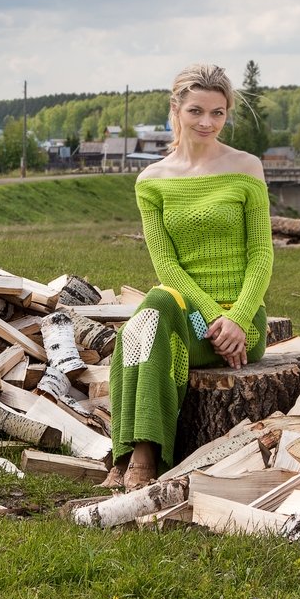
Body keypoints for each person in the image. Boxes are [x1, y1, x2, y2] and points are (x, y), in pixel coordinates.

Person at [104, 63, 274, 490]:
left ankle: (135, 456)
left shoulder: (246, 167)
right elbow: (167, 267)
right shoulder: (152, 181)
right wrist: (209, 314)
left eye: (217, 113)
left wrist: (235, 318)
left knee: (140, 328)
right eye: (197, 111)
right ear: (176, 110)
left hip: (242, 324)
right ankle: (140, 452)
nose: (207, 122)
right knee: (156, 307)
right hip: (191, 316)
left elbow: (261, 255)